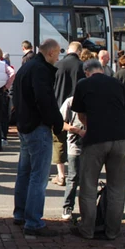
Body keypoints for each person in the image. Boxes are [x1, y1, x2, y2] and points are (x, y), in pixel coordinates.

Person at [71, 59, 125, 240]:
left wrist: (89, 125)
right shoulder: (117, 83)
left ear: (86, 71)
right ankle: (113, 230)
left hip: (96, 138)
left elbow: (80, 113)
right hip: (121, 137)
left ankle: (87, 228)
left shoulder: (84, 84)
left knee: (88, 185)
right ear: (102, 69)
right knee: (117, 186)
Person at [12, 39, 64, 236]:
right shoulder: (40, 69)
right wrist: (56, 122)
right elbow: (45, 99)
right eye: (58, 53)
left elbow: (17, 94)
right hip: (36, 126)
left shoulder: (28, 67)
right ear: (50, 53)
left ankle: (21, 213)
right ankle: (33, 221)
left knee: (25, 172)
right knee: (38, 176)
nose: (59, 57)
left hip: (25, 125)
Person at [52, 42, 85, 185]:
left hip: (59, 105)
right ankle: (76, 172)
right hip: (78, 108)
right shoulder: (82, 66)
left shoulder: (58, 65)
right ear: (80, 51)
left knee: (59, 141)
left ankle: (61, 175)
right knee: (77, 142)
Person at [59, 95, 86, 221]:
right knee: (73, 177)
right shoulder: (70, 102)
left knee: (89, 179)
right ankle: (67, 206)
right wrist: (76, 130)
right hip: (75, 144)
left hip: (93, 145)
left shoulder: (97, 98)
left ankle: (87, 209)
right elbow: (61, 122)